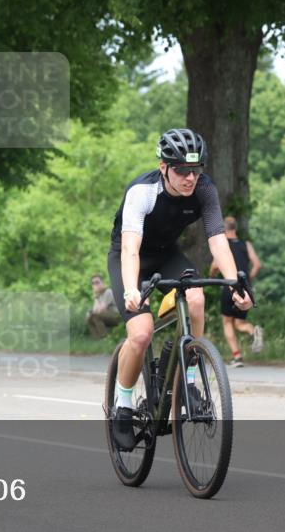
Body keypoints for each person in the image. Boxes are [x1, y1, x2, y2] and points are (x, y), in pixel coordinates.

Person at [108, 128, 252, 450]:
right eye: (182, 171)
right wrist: (132, 289)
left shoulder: (204, 189)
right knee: (142, 334)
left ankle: (187, 385)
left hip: (167, 255)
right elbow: (131, 249)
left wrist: (234, 285)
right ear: (164, 168)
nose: (190, 178)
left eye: (196, 169)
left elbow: (218, 241)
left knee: (196, 298)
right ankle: (123, 404)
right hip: (129, 258)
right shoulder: (142, 192)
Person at [209, 216, 264, 367]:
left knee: (227, 322)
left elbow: (214, 267)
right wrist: (248, 280)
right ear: (235, 228)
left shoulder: (223, 245)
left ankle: (237, 357)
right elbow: (257, 264)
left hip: (229, 285)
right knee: (240, 323)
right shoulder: (246, 244)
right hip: (244, 287)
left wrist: (212, 276)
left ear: (223, 229)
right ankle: (253, 331)